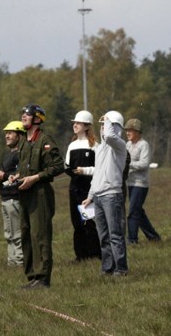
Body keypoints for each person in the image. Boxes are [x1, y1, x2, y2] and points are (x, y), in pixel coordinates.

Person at [16, 104, 64, 289]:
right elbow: (23, 167)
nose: (23, 116)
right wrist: (17, 176)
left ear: (37, 119)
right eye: (23, 113)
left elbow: (58, 167)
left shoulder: (45, 140)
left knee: (40, 235)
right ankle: (32, 277)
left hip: (40, 194)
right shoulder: (23, 141)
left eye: (27, 114)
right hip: (24, 193)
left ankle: (43, 279)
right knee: (26, 234)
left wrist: (35, 178)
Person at [82, 111, 129, 276]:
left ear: (115, 127)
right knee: (103, 237)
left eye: (106, 125)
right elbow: (97, 175)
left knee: (115, 235)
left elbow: (110, 137)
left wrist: (109, 119)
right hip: (100, 197)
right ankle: (107, 268)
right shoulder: (100, 149)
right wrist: (90, 196)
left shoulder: (120, 145)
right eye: (101, 125)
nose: (103, 128)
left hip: (112, 195)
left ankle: (121, 268)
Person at [64, 110, 101, 261]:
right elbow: (67, 166)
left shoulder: (95, 146)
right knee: (77, 222)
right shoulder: (72, 145)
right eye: (75, 122)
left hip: (88, 189)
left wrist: (84, 171)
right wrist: (72, 172)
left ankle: (95, 253)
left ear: (86, 126)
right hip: (74, 188)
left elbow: (100, 169)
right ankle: (80, 255)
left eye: (78, 123)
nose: (75, 125)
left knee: (88, 221)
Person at [125, 118, 161, 244]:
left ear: (138, 132)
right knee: (138, 211)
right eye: (127, 130)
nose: (128, 133)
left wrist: (128, 164)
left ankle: (132, 239)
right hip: (130, 182)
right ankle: (153, 237)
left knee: (133, 211)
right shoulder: (127, 145)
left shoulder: (143, 145)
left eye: (131, 131)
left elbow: (144, 164)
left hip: (140, 184)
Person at [0, 121, 26, 266]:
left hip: (15, 198)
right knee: (8, 233)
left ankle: (20, 261)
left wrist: (3, 175)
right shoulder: (8, 154)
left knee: (16, 232)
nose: (7, 136)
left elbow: (21, 173)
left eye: (10, 133)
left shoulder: (22, 154)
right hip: (5, 198)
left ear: (20, 136)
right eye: (6, 133)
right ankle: (12, 261)